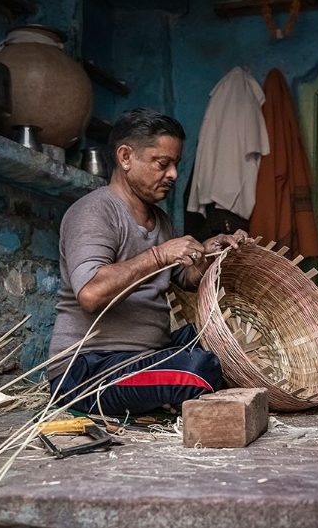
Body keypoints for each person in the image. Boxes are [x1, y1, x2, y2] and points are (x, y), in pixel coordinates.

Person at [47, 107, 247, 416]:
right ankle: (173, 391)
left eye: (176, 165)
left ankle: (166, 392)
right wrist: (160, 254)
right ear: (126, 157)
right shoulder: (94, 212)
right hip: (86, 371)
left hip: (143, 357)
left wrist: (208, 254)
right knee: (196, 368)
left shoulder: (160, 220)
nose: (173, 175)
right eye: (162, 163)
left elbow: (185, 279)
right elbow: (90, 294)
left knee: (212, 340)